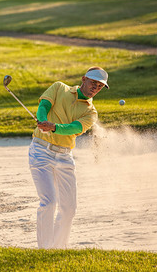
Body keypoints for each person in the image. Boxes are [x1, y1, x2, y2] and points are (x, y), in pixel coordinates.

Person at [29, 66, 109, 249]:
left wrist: (54, 127)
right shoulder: (59, 88)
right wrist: (43, 121)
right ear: (83, 79)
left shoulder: (91, 113)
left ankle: (57, 248)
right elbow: (44, 106)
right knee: (48, 202)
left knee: (69, 209)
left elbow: (74, 128)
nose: (95, 88)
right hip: (41, 151)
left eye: (100, 86)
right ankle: (45, 249)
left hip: (65, 157)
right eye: (93, 83)